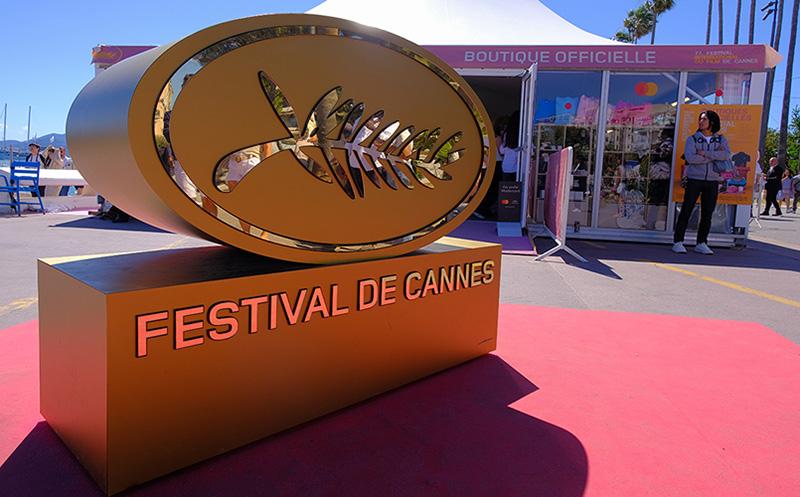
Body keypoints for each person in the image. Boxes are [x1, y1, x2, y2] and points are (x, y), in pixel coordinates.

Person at [673, 110, 731, 255]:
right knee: (686, 210)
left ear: (712, 121)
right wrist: (714, 156)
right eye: (700, 119)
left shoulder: (720, 139)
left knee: (707, 213)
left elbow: (726, 155)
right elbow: (691, 158)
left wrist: (705, 153)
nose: (701, 122)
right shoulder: (692, 139)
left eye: (704, 119)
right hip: (694, 179)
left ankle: (701, 242)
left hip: (712, 180)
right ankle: (678, 241)